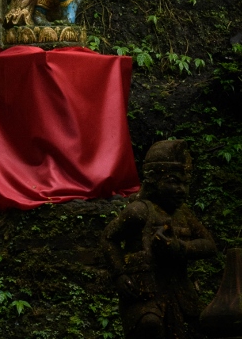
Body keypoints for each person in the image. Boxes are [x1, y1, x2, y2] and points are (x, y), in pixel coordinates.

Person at [102, 140, 216, 339]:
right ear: (153, 180)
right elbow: (108, 237)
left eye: (185, 183)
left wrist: (180, 248)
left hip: (180, 291)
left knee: (205, 327)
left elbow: (209, 245)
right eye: (173, 181)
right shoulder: (139, 212)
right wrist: (119, 275)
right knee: (150, 325)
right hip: (146, 293)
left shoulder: (184, 214)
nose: (181, 190)